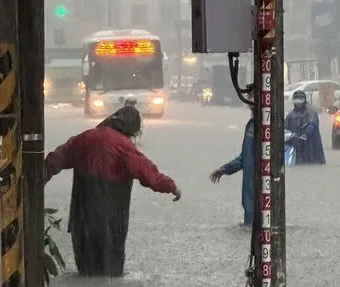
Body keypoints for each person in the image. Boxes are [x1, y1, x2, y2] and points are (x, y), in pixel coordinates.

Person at [44, 106, 181, 277]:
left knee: (86, 269)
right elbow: (147, 173)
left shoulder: (84, 138)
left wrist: (39, 178)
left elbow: (57, 158)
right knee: (110, 270)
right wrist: (172, 187)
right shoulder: (123, 145)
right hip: (110, 215)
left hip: (81, 212)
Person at [209, 104, 255, 227]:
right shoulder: (251, 125)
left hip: (260, 191)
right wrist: (224, 169)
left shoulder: (268, 127)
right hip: (250, 193)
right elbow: (245, 157)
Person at [285, 90, 326, 165]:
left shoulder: (310, 112)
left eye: (299, 102)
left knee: (312, 163)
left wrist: (306, 134)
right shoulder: (291, 115)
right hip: (296, 144)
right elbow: (286, 128)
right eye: (296, 103)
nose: (298, 104)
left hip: (311, 145)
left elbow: (313, 124)